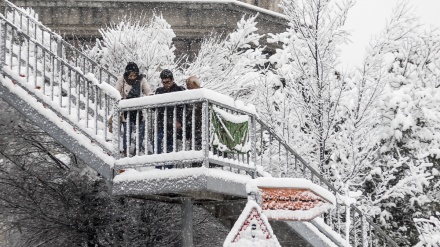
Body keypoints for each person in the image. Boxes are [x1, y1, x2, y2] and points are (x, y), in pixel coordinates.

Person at [115, 62, 152, 156]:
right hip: (126, 110)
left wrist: (151, 97)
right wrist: (121, 100)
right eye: (130, 75)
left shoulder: (141, 80)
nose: (132, 77)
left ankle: (137, 149)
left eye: (134, 75)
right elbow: (116, 93)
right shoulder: (122, 80)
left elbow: (148, 90)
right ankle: (126, 150)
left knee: (141, 130)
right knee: (127, 132)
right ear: (127, 74)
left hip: (139, 110)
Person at [154, 69, 185, 155]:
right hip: (161, 122)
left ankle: (170, 167)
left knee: (170, 146)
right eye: (164, 82)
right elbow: (154, 107)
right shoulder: (159, 91)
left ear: (172, 80)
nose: (166, 84)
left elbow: (183, 108)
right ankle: (158, 165)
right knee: (157, 142)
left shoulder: (180, 90)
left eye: (168, 82)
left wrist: (180, 121)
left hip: (174, 123)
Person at [185, 76, 202, 151]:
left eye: (189, 85)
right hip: (193, 127)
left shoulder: (202, 95)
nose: (188, 88)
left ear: (195, 84)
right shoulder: (191, 96)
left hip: (200, 126)